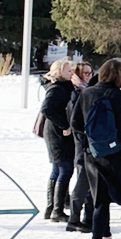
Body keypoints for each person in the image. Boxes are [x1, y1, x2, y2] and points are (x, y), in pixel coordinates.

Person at [70, 59, 121, 239]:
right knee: (103, 199)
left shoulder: (87, 92)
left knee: (100, 196)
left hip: (92, 153)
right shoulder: (116, 94)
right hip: (113, 153)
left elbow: (75, 123)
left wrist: (87, 143)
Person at [38, 59, 76, 223]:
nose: (72, 74)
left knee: (57, 169)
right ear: (60, 72)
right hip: (57, 133)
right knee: (64, 169)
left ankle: (51, 207)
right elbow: (47, 108)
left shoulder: (63, 87)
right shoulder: (56, 89)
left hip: (56, 131)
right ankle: (57, 209)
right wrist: (64, 124)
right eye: (69, 71)